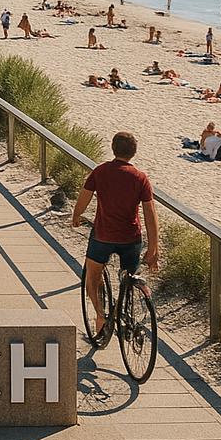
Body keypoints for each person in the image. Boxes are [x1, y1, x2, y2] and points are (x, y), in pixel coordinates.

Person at [72, 131, 159, 337]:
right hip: (131, 238)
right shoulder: (140, 178)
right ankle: (124, 312)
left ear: (113, 149)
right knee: (128, 277)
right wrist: (154, 247)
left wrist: (76, 216)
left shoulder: (100, 172)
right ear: (134, 153)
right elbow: (150, 214)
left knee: (91, 276)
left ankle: (101, 316)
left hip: (103, 235)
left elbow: (84, 198)